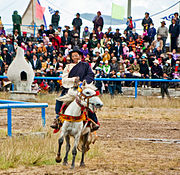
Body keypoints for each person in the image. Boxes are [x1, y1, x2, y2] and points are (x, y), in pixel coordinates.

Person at [52, 48, 99, 131]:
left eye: (76, 55)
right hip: (70, 89)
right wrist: (73, 79)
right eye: (73, 56)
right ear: (71, 57)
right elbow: (64, 79)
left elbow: (90, 75)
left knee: (90, 103)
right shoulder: (68, 67)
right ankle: (57, 119)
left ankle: (93, 122)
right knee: (59, 100)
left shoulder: (86, 65)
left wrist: (83, 82)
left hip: (82, 89)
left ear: (80, 56)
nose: (75, 57)